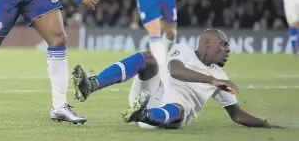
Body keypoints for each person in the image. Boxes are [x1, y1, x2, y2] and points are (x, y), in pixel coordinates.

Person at [72, 29, 283, 129]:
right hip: (148, 95)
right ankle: (92, 84)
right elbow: (175, 71)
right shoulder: (184, 52)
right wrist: (211, 80)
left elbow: (237, 115)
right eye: (224, 44)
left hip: (165, 117)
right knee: (150, 58)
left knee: (180, 107)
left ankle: (142, 115)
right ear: (207, 43)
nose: (228, 49)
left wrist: (266, 124)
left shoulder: (220, 77)